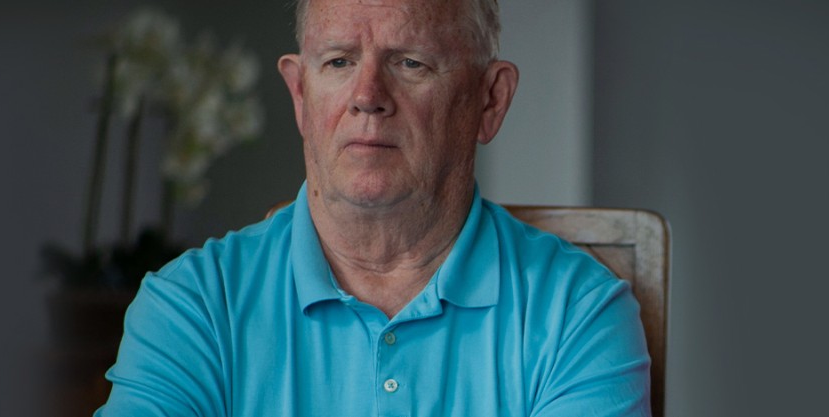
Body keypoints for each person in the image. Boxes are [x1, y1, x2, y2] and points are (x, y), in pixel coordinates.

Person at [94, 0, 651, 415]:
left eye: (410, 63)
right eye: (338, 61)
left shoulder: (578, 314)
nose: (367, 95)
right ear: (300, 95)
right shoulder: (191, 309)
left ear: (490, 100)